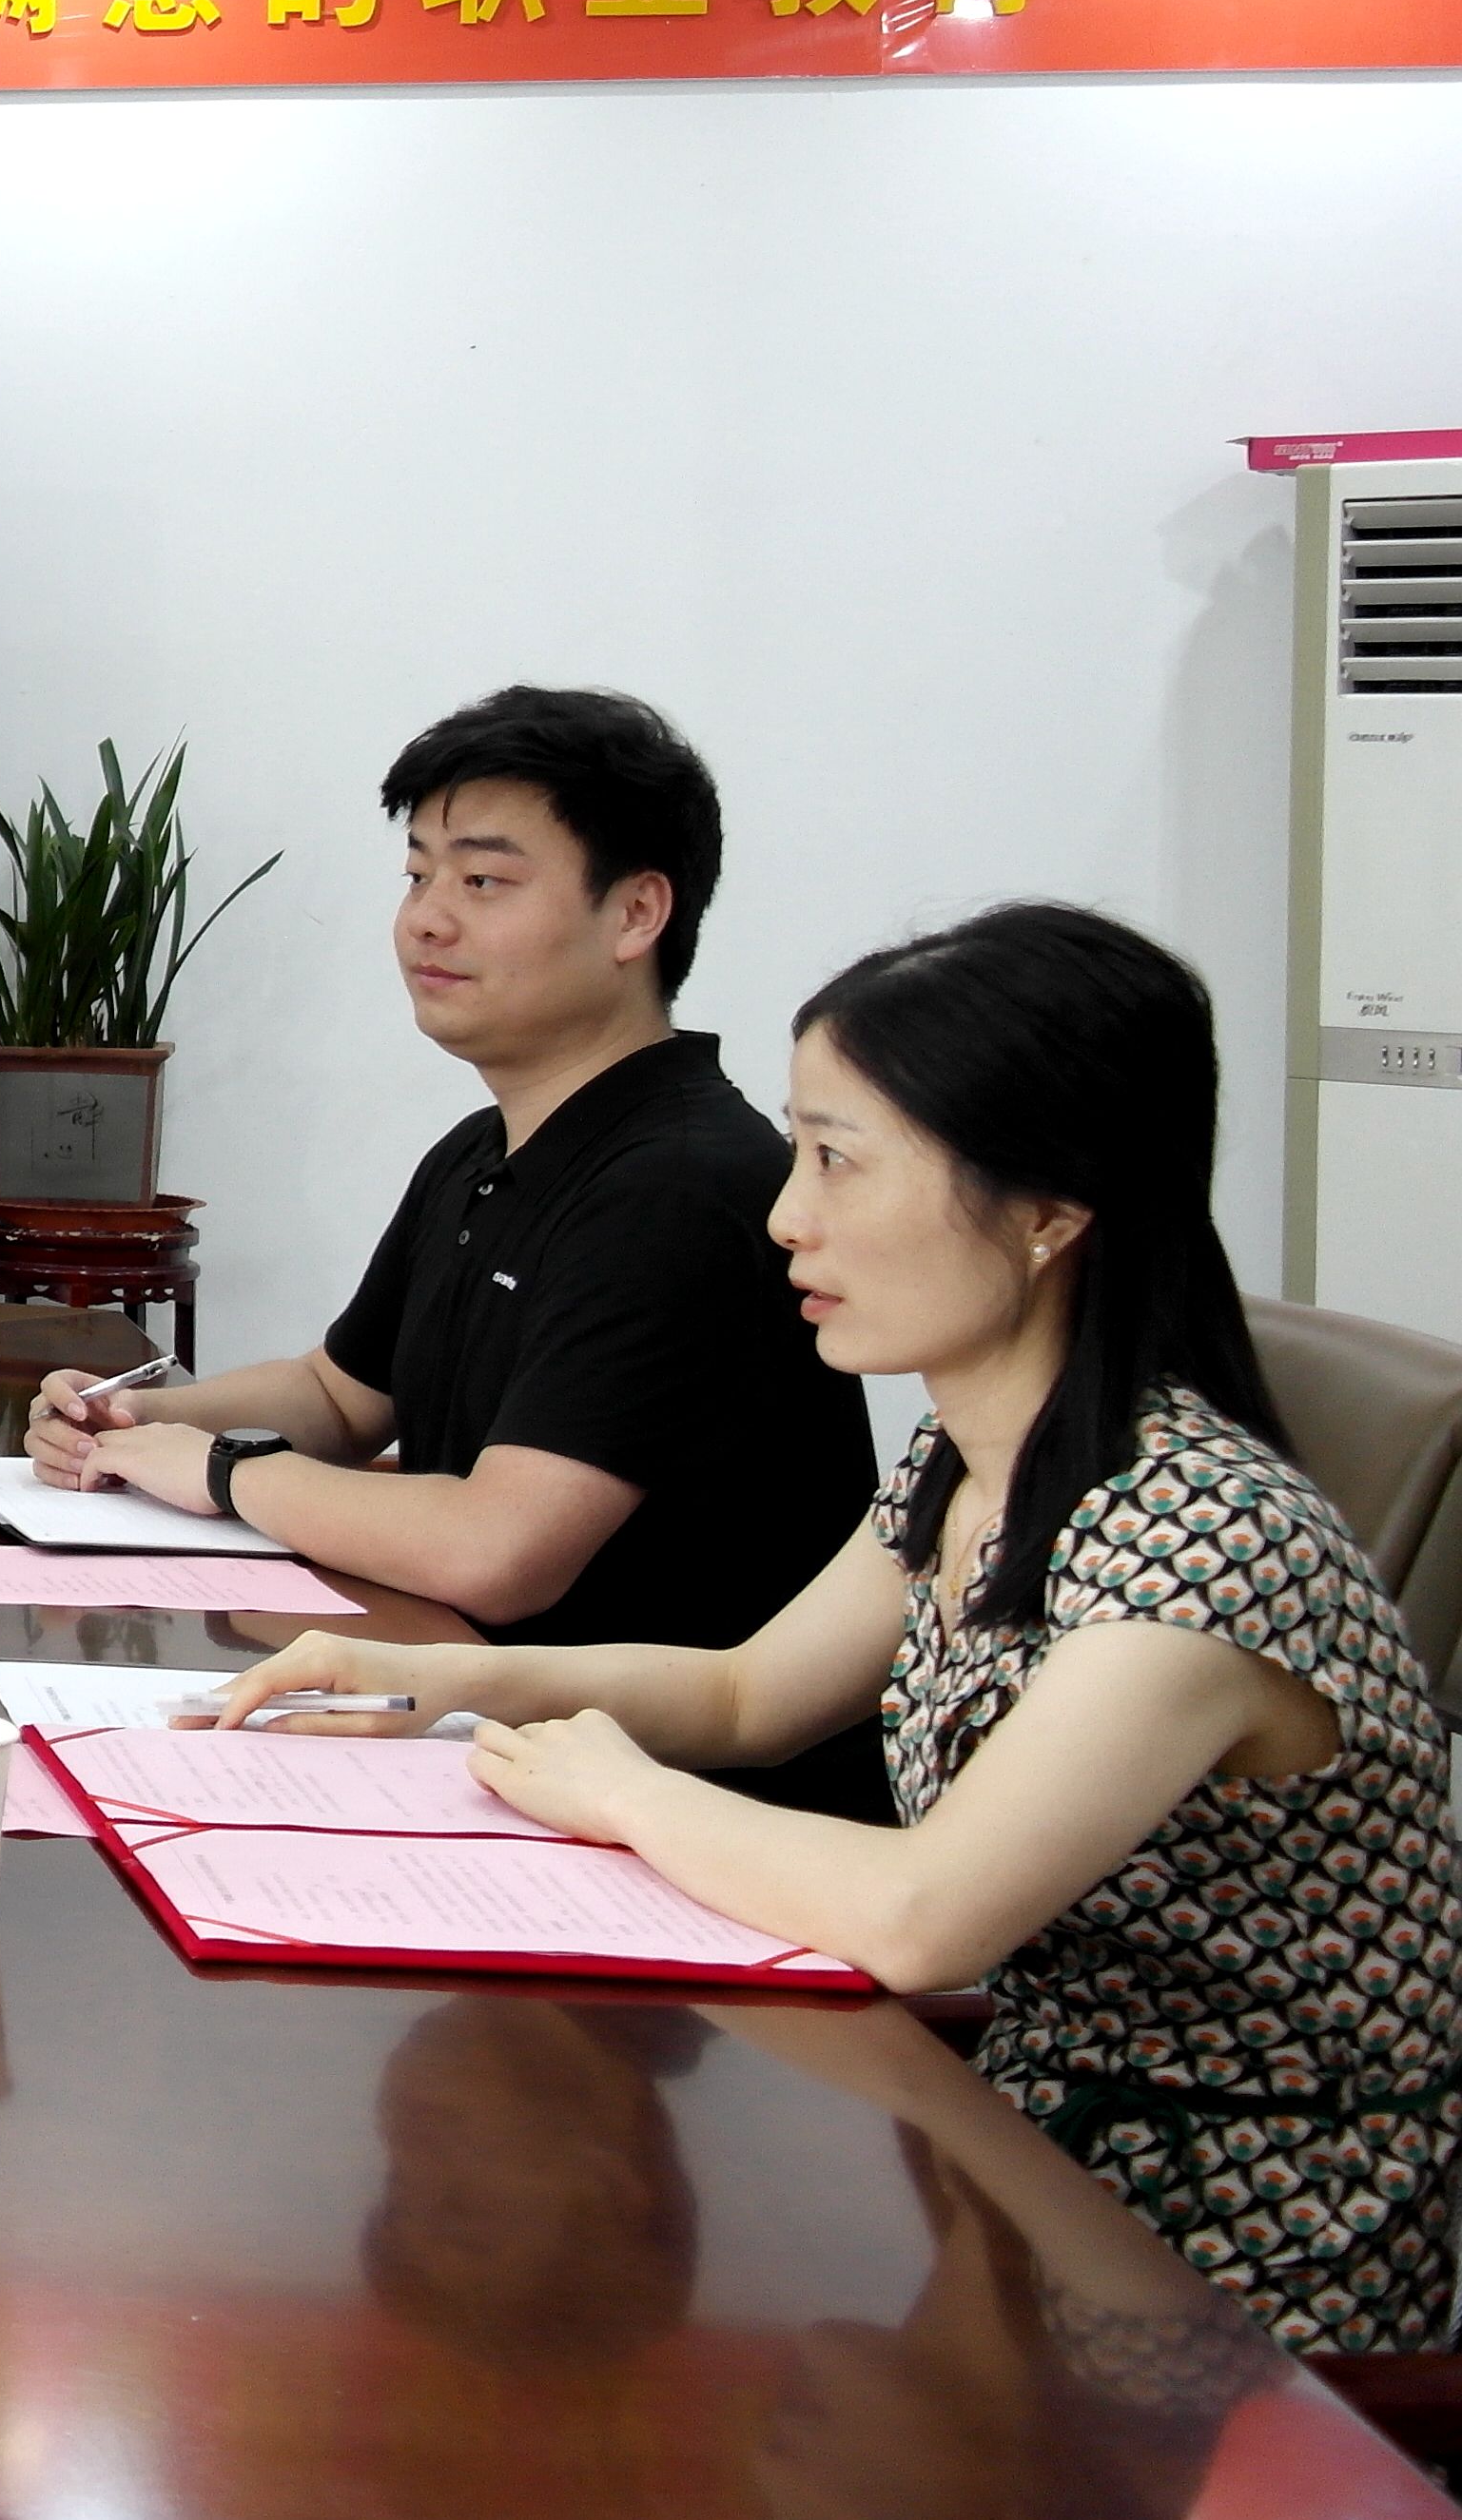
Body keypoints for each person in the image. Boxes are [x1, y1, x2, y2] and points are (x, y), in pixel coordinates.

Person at [210, 902, 1462, 2352]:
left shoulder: (1202, 1544)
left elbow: (925, 1913)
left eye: (838, 1159)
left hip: (1220, 2279)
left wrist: (619, 1789)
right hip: (1016, 2178)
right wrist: (433, 1676)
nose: (786, 1215)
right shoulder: (975, 1460)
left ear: (1047, 1210)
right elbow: (750, 1693)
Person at [30, 687, 887, 1816]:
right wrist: (138, 1419)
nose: (427, 921)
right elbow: (339, 1394)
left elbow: (498, 1550)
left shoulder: (681, 1184)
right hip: (497, 1744)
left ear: (636, 914)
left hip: (680, 1806)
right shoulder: (486, 1149)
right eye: (417, 876)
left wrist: (226, 1470)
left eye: (482, 882)